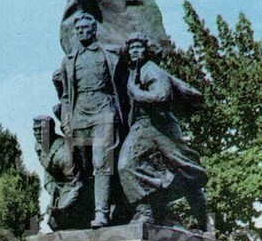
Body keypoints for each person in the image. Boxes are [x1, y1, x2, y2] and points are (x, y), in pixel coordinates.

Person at [118, 34, 208, 229]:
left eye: (139, 47)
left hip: (161, 126)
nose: (134, 51)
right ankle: (146, 211)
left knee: (188, 173)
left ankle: (204, 224)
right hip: (142, 126)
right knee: (126, 166)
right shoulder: (134, 72)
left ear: (147, 50)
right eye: (131, 47)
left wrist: (136, 93)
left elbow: (161, 96)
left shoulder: (151, 70)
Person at [59, 12, 127, 228]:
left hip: (104, 112)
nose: (80, 32)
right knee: (81, 167)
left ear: (94, 29)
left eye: (84, 28)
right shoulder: (69, 61)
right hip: (80, 115)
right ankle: (80, 212)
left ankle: (101, 213)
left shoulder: (110, 54)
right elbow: (67, 95)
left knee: (101, 162)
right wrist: (66, 119)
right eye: (77, 29)